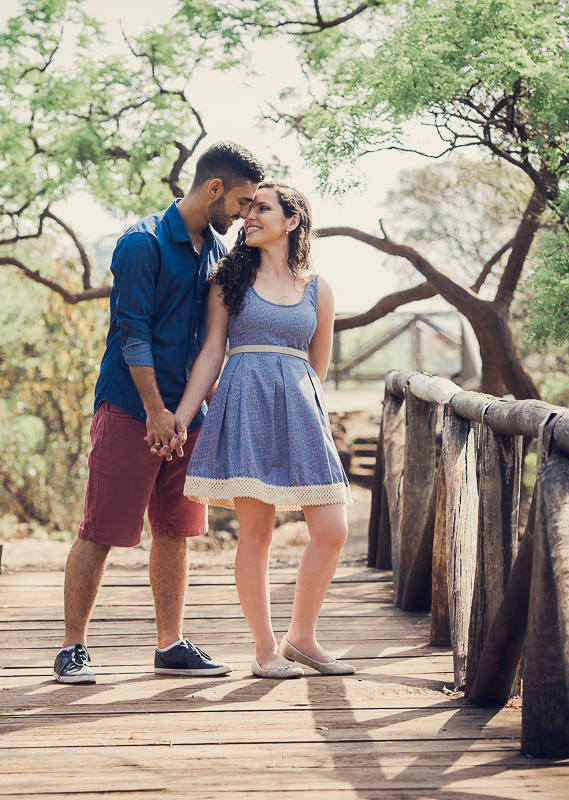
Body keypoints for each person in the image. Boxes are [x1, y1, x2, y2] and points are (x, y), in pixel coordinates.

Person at [53, 142, 265, 685]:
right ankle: (72, 648)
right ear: (214, 188)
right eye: (242, 202)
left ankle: (169, 644)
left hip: (186, 418)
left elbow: (212, 344)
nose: (245, 214)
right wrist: (154, 411)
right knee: (99, 529)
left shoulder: (217, 252)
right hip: (131, 410)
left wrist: (186, 415)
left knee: (174, 531)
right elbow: (132, 332)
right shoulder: (141, 243)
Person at [164, 181, 354, 679]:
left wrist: (297, 404)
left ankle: (302, 638)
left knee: (332, 531)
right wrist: (182, 416)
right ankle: (266, 649)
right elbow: (211, 354)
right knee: (257, 536)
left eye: (262, 208)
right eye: (247, 207)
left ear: (292, 221)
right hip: (245, 408)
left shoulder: (319, 288)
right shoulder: (229, 280)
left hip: (301, 412)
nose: (249, 215)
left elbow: (317, 367)